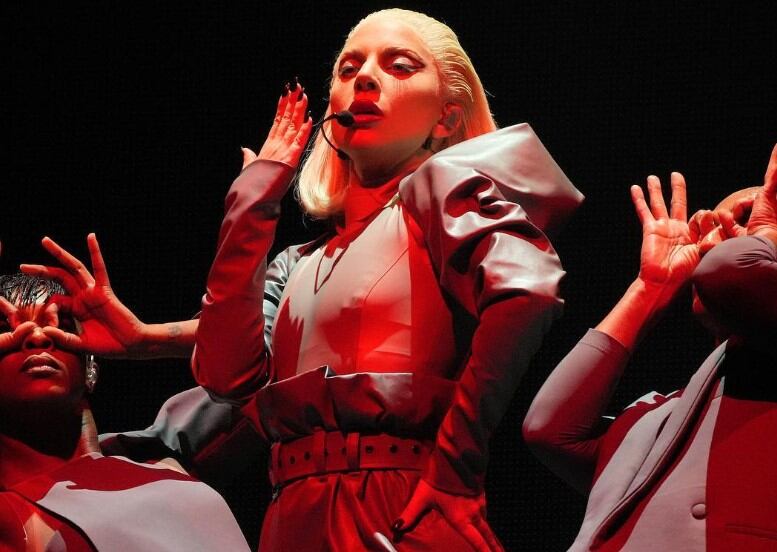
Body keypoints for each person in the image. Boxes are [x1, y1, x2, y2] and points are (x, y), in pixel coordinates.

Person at [192, 8, 582, 551]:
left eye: (399, 66)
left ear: (446, 118)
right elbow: (225, 376)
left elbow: (528, 291)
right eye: (348, 69)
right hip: (289, 515)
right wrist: (253, 200)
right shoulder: (297, 263)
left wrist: (457, 465)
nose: (365, 79)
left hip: (397, 507)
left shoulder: (439, 194)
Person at [522, 145, 777, 551]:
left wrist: (766, 229)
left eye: (743, 221)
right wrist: (651, 288)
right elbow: (551, 432)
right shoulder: (661, 414)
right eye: (712, 228)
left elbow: (733, 274)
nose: (709, 239)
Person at [0, 271, 251, 551]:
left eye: (62, 326)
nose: (37, 337)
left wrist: (148, 338)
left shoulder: (165, 456)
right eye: (5, 330)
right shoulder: (12, 517)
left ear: (91, 366)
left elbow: (279, 359)